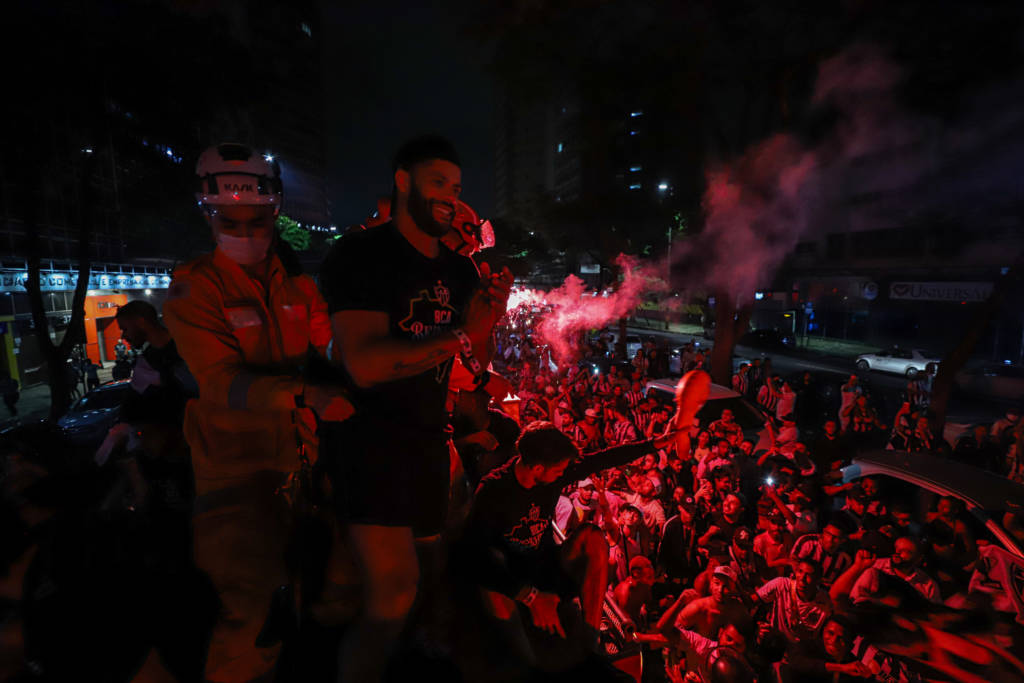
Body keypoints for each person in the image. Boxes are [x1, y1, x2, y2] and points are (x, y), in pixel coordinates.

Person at [319, 135, 512, 682]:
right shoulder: (360, 256)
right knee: (392, 593)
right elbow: (365, 365)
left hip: (429, 440)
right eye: (438, 183)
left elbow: (474, 361)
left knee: (427, 576)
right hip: (370, 442)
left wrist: (487, 323)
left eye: (457, 187)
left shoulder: (460, 272)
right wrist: (460, 334)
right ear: (403, 181)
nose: (451, 197)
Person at [161, 142, 354, 682]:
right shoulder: (194, 288)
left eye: (256, 219)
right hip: (234, 476)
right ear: (207, 215)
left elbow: (328, 343)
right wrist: (307, 395)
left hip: (298, 466)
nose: (244, 232)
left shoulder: (297, 284)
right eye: (231, 221)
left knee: (309, 595)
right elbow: (221, 382)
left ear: (275, 212)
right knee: (249, 613)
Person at [750, 558, 832, 645]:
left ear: (817, 580)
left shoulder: (824, 603)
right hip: (775, 644)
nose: (802, 578)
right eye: (800, 571)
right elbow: (751, 601)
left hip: (801, 649)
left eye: (809, 575)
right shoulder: (781, 585)